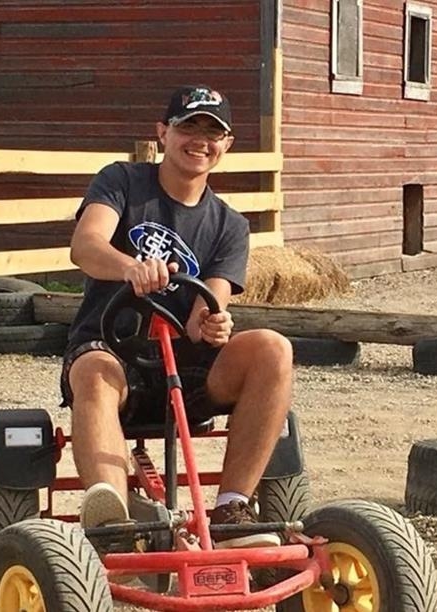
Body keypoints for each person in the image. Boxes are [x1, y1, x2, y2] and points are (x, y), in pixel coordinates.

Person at [60, 85, 293, 549]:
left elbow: (213, 301)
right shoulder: (122, 181)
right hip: (113, 352)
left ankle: (230, 509)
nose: (199, 141)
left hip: (185, 373)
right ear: (163, 133)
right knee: (95, 369)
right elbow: (85, 246)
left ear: (226, 144)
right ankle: (117, 521)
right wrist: (130, 267)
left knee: (273, 346)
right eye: (189, 127)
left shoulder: (230, 224)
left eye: (213, 132)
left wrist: (213, 323)